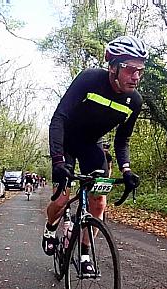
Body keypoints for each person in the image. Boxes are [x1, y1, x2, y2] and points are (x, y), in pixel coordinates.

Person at [41, 35, 145, 275]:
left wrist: (126, 170)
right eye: (130, 70)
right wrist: (57, 160)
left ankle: (85, 253)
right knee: (61, 199)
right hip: (66, 141)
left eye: (140, 71)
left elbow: (122, 139)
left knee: (99, 201)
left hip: (91, 147)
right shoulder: (89, 79)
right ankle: (49, 228)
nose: (136, 76)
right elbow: (59, 118)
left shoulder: (134, 101)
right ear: (113, 68)